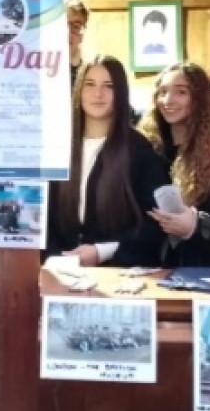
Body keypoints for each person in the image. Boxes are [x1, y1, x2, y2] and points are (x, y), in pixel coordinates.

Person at [47, 56, 171, 267]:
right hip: (60, 270)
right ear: (78, 90)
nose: (98, 94)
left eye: (108, 86)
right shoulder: (57, 146)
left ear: (120, 93)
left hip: (119, 272)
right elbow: (42, 215)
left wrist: (102, 251)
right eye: (89, 84)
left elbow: (155, 223)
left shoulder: (139, 150)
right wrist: (57, 258)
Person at [139, 62, 210, 266]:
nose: (168, 100)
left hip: (198, 271)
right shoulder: (145, 149)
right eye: (163, 92)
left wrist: (196, 227)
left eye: (181, 92)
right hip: (144, 269)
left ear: (199, 99)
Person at [67, 0, 89, 86]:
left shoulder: (88, 78)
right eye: (63, 24)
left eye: (76, 27)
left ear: (82, 34)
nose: (68, 32)